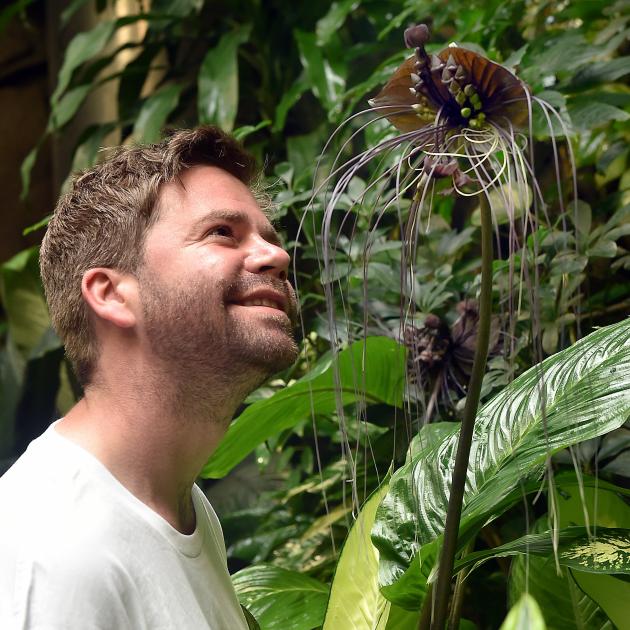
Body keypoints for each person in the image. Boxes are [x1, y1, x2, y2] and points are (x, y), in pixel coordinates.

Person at [0, 126, 299, 629]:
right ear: (113, 294)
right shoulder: (51, 554)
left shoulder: (178, 506)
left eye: (268, 238)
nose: (278, 255)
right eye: (222, 232)